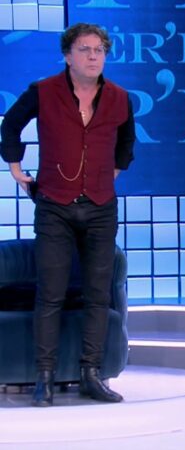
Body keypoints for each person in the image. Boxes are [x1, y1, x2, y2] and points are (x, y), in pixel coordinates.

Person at [0, 23, 135, 407]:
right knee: (51, 293)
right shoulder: (44, 91)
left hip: (101, 207)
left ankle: (91, 375)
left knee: (97, 295)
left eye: (99, 50)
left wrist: (109, 174)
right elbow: (11, 125)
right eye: (84, 49)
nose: (93, 56)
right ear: (67, 55)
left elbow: (127, 143)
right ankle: (44, 378)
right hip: (55, 206)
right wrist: (16, 168)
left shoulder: (120, 98)